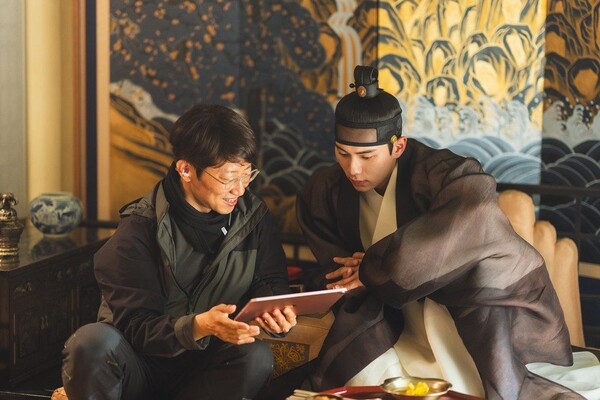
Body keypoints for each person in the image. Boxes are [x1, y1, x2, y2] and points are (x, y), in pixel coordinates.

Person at [296, 66, 583, 399]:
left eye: (366, 156)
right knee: (365, 380)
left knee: (477, 385)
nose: (353, 169)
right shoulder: (326, 189)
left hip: (457, 298)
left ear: (398, 147)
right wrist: (358, 275)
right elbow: (337, 266)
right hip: (387, 308)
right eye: (342, 153)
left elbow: (472, 216)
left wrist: (374, 268)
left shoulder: (444, 173)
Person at [61, 104, 297, 400]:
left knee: (256, 355)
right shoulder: (140, 229)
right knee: (91, 342)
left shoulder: (253, 218)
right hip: (138, 365)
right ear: (186, 169)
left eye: (246, 176)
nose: (239, 190)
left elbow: (270, 281)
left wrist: (275, 311)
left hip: (203, 367)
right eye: (228, 178)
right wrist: (198, 326)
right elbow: (138, 327)